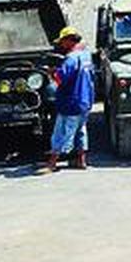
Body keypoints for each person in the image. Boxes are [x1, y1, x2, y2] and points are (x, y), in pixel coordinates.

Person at [37, 26, 94, 173]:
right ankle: (81, 161)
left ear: (69, 40)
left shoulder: (70, 59)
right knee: (81, 130)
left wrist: (52, 72)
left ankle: (52, 163)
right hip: (85, 100)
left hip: (71, 101)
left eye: (62, 41)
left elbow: (60, 79)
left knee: (61, 132)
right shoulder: (86, 56)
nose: (61, 45)